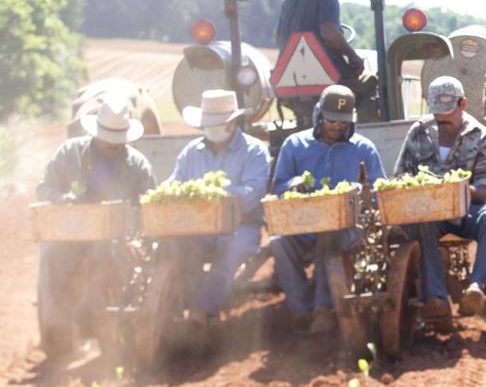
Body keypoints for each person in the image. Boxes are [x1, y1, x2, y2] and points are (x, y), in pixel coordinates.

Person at [36, 93, 156, 357]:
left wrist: (137, 237)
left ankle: (116, 327)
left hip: (118, 236)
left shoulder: (138, 164)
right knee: (51, 252)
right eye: (107, 137)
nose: (112, 144)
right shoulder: (70, 153)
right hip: (73, 233)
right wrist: (63, 199)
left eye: (117, 139)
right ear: (96, 132)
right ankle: (59, 327)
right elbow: (44, 187)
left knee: (117, 263)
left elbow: (148, 206)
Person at [269, 85, 384, 334]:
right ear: (318, 115)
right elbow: (278, 187)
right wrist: (294, 184)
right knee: (278, 242)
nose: (336, 127)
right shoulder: (294, 145)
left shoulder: (364, 149)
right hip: (303, 225)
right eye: (331, 120)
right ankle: (302, 310)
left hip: (349, 229)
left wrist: (358, 194)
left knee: (329, 232)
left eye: (342, 122)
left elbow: (377, 192)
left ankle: (323, 308)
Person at [395, 76, 486, 320]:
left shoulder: (481, 136)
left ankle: (478, 287)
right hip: (428, 214)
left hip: (465, 210)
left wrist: (462, 191)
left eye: (447, 112)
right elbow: (401, 176)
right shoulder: (419, 132)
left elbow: (485, 191)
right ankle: (435, 299)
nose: (442, 118)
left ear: (463, 104)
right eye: (437, 112)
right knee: (423, 221)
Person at [171, 89, 270, 328]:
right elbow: (174, 183)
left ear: (232, 122)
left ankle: (201, 310)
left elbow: (252, 194)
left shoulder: (254, 151)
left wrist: (215, 196)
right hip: (199, 226)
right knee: (181, 248)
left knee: (231, 248)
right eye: (208, 123)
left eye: (216, 123)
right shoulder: (191, 152)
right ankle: (184, 307)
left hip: (241, 225)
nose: (210, 128)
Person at [274, 0, 364, 85]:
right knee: (366, 86)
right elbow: (330, 34)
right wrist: (352, 56)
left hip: (287, 78)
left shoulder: (290, 0)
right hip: (319, 75)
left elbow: (278, 38)